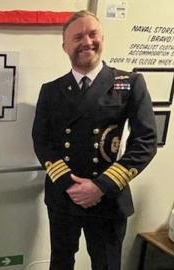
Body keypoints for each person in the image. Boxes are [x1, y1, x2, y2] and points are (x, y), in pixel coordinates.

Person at [32, 10, 157, 270]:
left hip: (108, 196)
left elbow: (145, 141)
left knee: (107, 265)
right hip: (64, 196)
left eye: (92, 34)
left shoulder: (129, 83)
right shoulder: (51, 90)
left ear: (102, 37)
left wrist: (100, 185)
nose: (86, 42)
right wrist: (70, 184)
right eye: (77, 37)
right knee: (61, 263)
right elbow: (42, 141)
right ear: (65, 46)